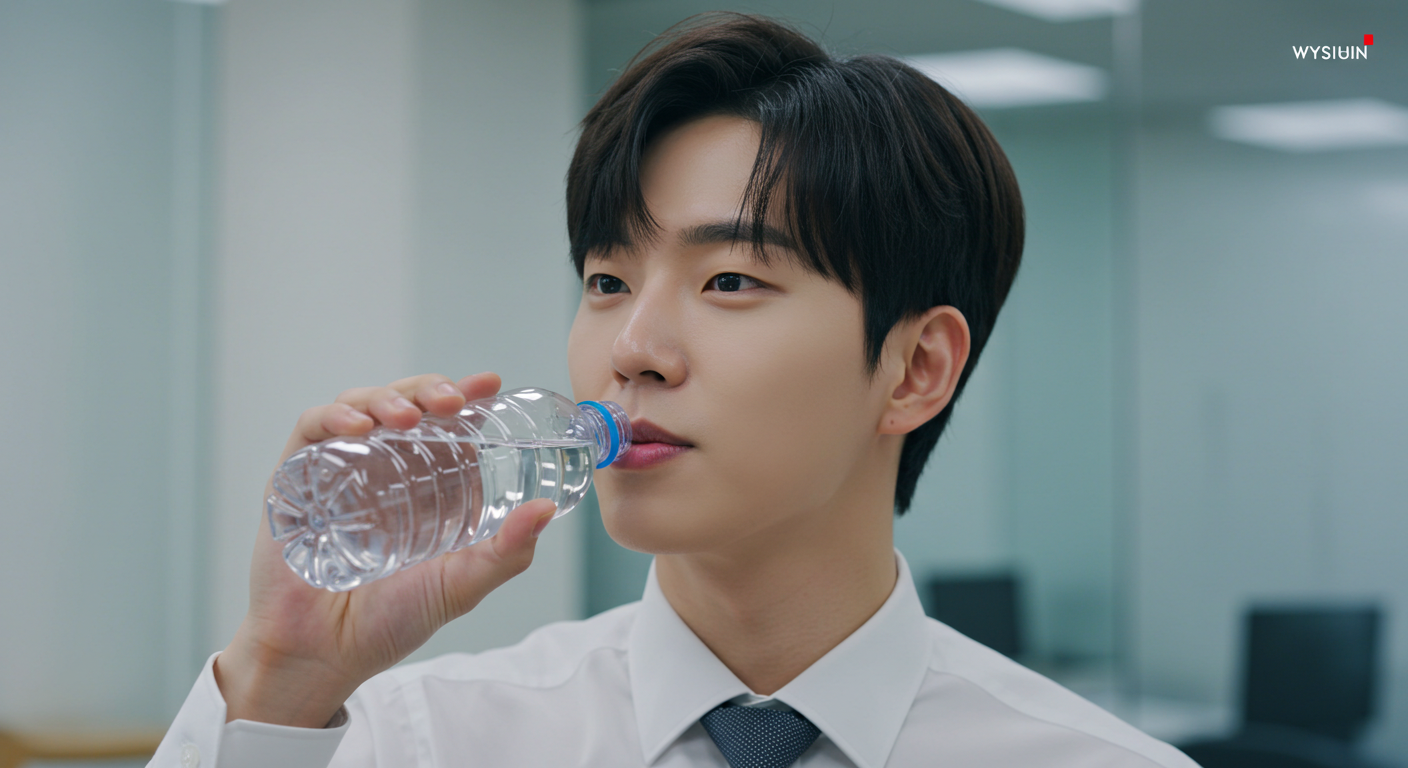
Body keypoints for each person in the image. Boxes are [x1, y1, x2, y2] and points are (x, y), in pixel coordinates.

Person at [151, 13, 1197, 768]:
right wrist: (284, 677)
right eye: (607, 281)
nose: (633, 348)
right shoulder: (414, 741)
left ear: (915, 369)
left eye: (730, 280)